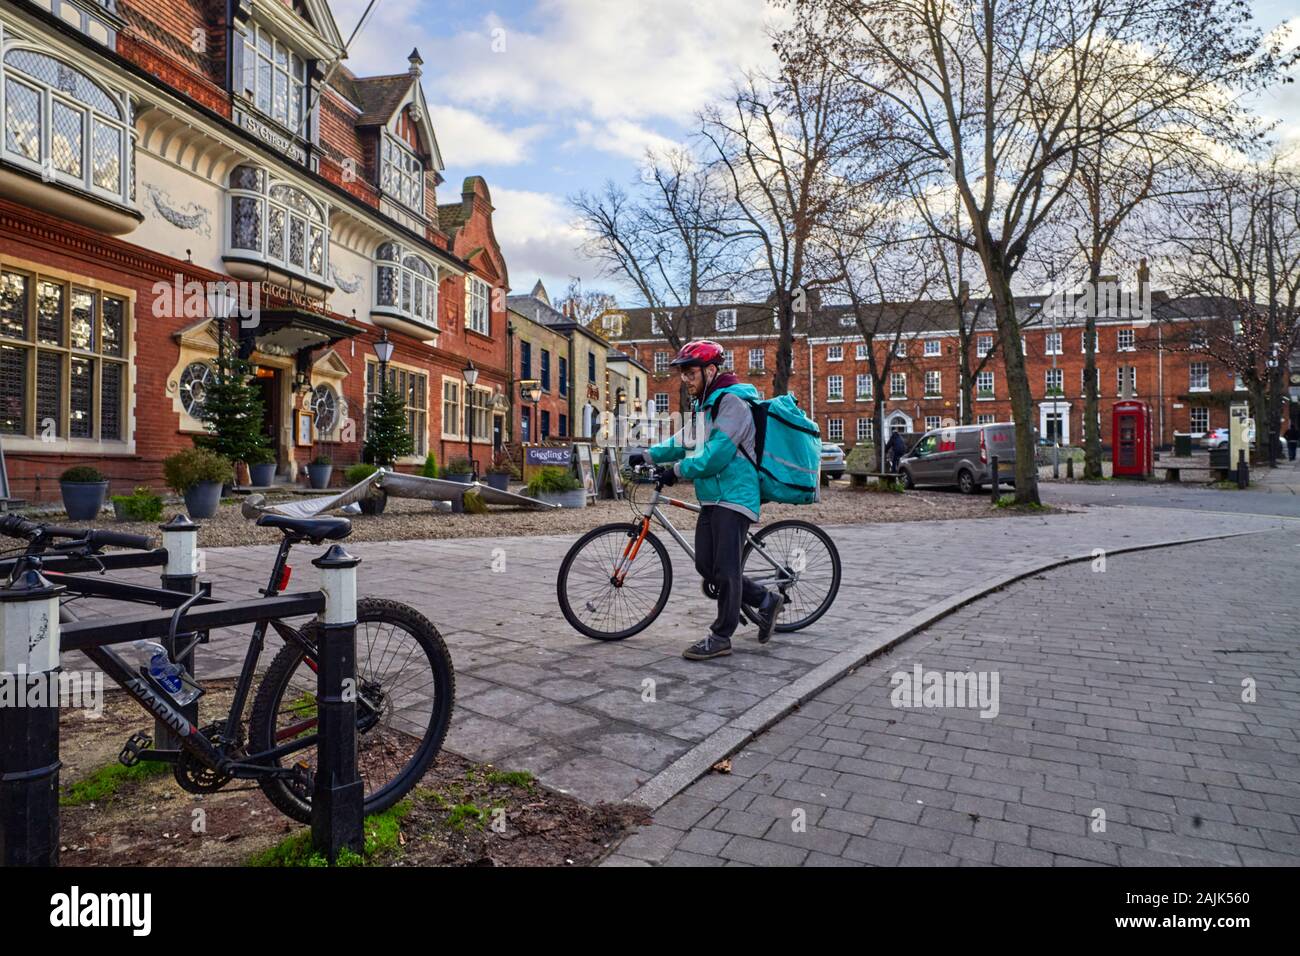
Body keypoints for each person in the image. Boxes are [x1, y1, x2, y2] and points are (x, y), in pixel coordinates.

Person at [627, 340, 781, 661]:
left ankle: (721, 636)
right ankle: (766, 600)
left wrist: (676, 471)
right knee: (706, 565)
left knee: (726, 569)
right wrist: (649, 454)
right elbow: (684, 441)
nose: (685, 379)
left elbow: (715, 456)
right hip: (713, 497)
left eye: (690, 372)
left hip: (735, 496)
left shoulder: (733, 405)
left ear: (710, 370)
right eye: (682, 373)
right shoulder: (707, 406)